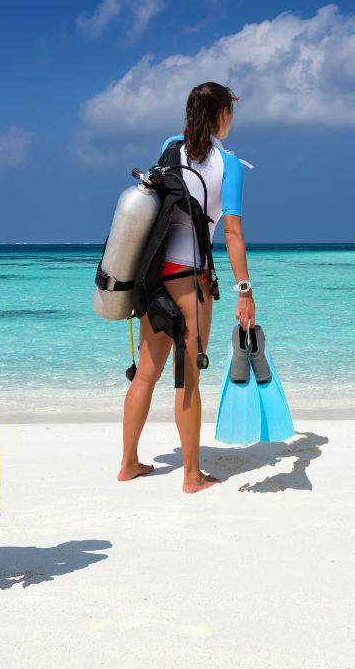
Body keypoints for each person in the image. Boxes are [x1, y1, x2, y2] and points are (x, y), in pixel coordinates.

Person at [118, 82, 254, 493]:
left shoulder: (170, 146)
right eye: (232, 110)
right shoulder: (229, 166)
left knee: (146, 373)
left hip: (155, 277)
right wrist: (244, 289)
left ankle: (128, 464)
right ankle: (192, 476)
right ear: (222, 115)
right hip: (192, 281)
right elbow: (231, 230)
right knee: (188, 378)